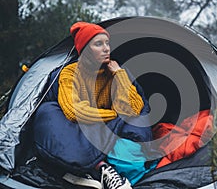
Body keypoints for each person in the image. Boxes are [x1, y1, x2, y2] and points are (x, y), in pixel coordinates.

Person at [33, 22, 155, 189]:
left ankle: (96, 172)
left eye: (107, 43)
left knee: (135, 123)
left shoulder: (113, 73)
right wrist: (113, 115)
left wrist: (119, 75)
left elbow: (132, 109)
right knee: (48, 112)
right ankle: (100, 169)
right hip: (75, 127)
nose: (106, 49)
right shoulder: (70, 73)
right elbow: (73, 111)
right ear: (84, 49)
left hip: (102, 128)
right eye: (98, 44)